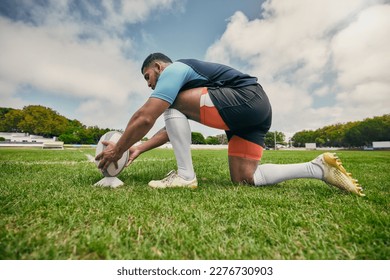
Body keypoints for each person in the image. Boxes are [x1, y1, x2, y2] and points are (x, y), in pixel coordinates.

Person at [95, 53, 364, 196]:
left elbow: (145, 117)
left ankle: (185, 176)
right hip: (255, 111)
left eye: (148, 76)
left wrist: (117, 150)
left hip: (247, 98)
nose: (150, 84)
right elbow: (171, 128)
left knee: (169, 102)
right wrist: (139, 148)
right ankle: (317, 168)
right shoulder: (186, 93)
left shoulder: (174, 70)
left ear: (158, 66)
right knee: (246, 178)